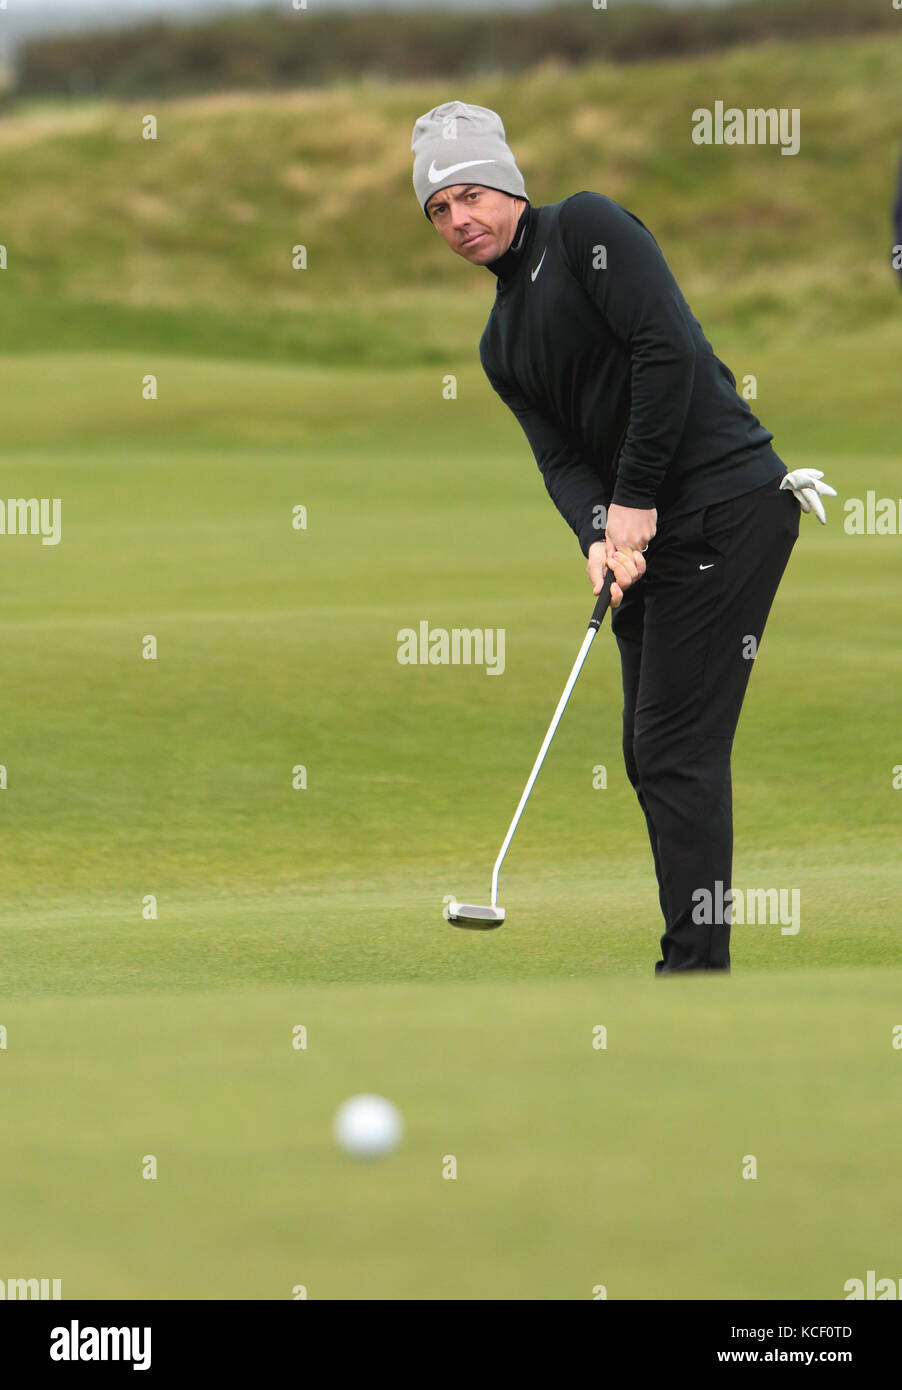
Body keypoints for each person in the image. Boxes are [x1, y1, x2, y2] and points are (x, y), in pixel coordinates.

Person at [411, 100, 834, 973]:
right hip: (649, 534)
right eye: (438, 211)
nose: (458, 221)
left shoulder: (587, 231)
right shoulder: (500, 342)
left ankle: (693, 971)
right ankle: (694, 957)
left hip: (730, 503)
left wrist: (635, 498)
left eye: (469, 196)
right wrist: (598, 534)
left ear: (509, 187)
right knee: (649, 752)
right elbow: (560, 459)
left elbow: (664, 349)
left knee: (675, 748)